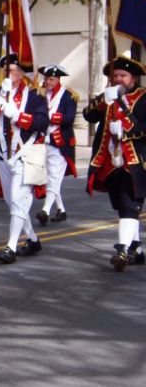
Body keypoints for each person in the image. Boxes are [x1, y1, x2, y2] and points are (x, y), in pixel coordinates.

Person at [0, 54, 49, 264]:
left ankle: (11, 246)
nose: (8, 74)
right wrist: (2, 95)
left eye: (12, 71)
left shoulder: (35, 96)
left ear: (21, 74)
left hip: (25, 154)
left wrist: (18, 116)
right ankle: (32, 239)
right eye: (5, 71)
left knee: (19, 201)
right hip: (2, 154)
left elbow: (41, 122)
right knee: (12, 202)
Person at [84, 55, 146, 271]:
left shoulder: (144, 97)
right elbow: (88, 115)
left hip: (136, 162)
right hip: (111, 162)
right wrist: (103, 101)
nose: (119, 79)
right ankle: (136, 249)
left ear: (134, 78)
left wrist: (128, 130)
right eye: (116, 76)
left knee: (130, 206)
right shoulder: (108, 97)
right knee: (123, 207)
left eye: (123, 76)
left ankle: (122, 250)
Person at [36, 65, 77, 226]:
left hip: (60, 142)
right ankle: (61, 209)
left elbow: (68, 119)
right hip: (41, 141)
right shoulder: (39, 94)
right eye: (46, 78)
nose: (47, 81)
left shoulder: (68, 96)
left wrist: (49, 116)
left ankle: (45, 210)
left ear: (58, 79)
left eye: (51, 79)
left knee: (54, 176)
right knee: (50, 177)